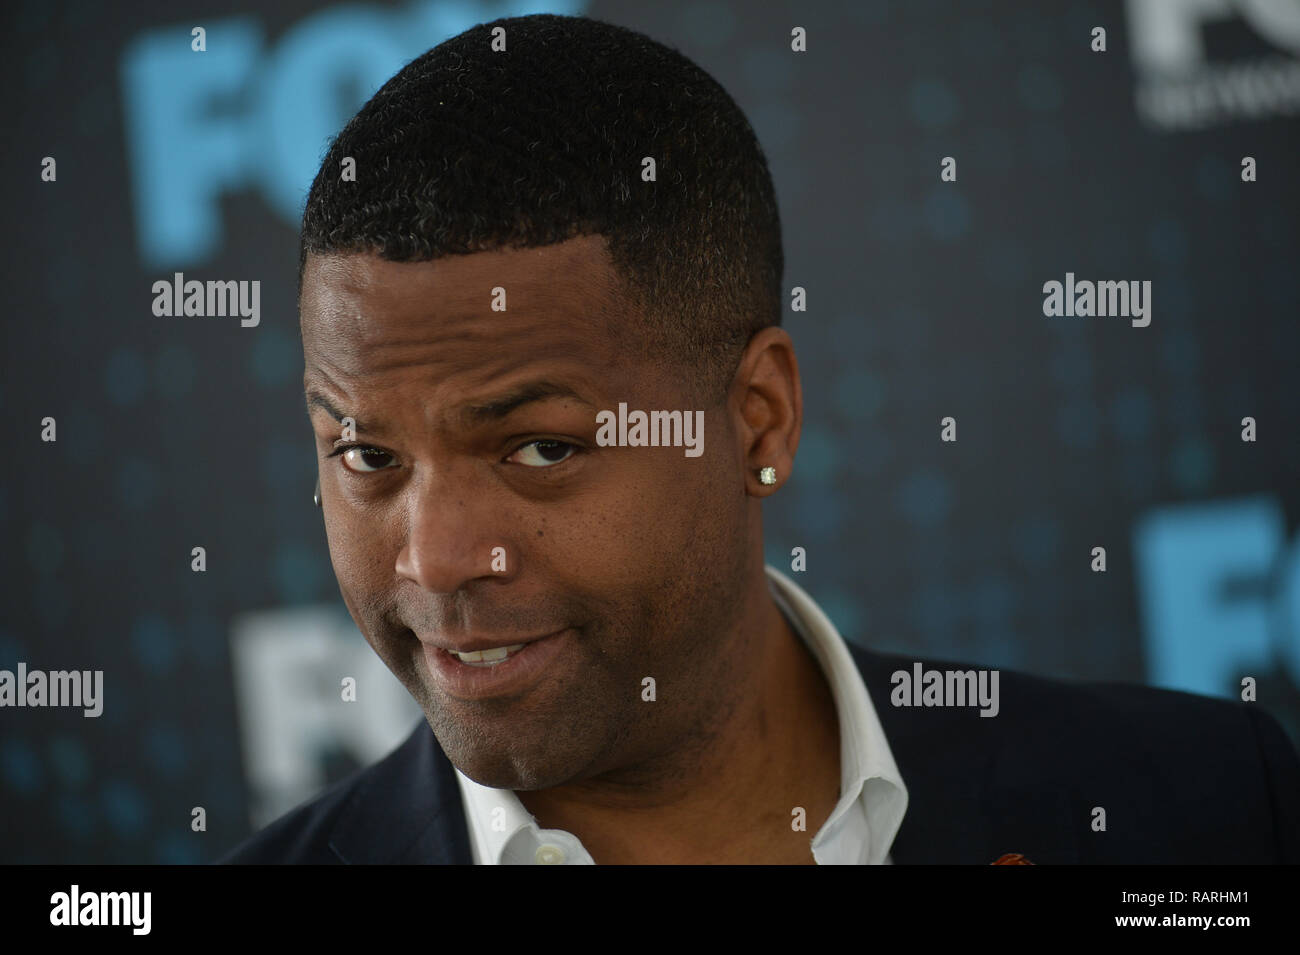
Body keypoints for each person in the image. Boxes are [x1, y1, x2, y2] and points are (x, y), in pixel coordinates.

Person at [221, 13, 1299, 865]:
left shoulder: (1196, 805)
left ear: (758, 417)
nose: (437, 558)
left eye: (539, 449)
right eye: (368, 456)